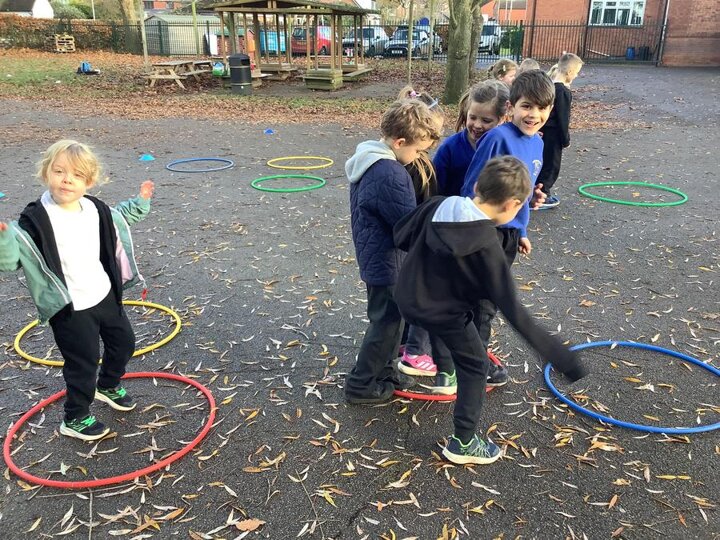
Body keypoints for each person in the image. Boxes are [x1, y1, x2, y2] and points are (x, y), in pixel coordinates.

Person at [394, 155, 588, 465]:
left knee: (445, 328)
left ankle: (446, 375)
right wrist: (566, 361)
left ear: (476, 187)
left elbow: (401, 234)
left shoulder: (438, 205)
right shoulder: (488, 247)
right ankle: (464, 443)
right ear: (513, 205)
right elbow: (516, 313)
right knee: (475, 365)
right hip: (442, 312)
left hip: (407, 297)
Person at [0, 140, 154, 441]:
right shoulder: (35, 220)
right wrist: (5, 240)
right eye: (59, 171)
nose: (67, 179)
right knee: (83, 363)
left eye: (77, 174)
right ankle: (75, 417)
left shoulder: (95, 208)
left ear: (89, 181)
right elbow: (10, 262)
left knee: (124, 344)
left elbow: (122, 217)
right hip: (70, 307)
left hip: (104, 294)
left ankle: (108, 385)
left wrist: (141, 201)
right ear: (46, 173)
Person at [344, 100, 441, 404]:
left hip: (378, 257)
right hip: (388, 264)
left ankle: (384, 372)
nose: (419, 157)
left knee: (391, 321)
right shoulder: (390, 173)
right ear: (399, 143)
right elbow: (407, 227)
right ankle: (361, 385)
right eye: (417, 150)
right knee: (385, 324)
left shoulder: (370, 158)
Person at [460, 69, 553, 359]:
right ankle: (475, 360)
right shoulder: (497, 138)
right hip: (486, 231)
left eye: (542, 108)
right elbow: (472, 187)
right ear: (511, 107)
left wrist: (521, 230)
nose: (533, 114)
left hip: (509, 235)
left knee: (488, 300)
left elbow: (521, 193)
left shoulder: (538, 142)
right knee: (484, 301)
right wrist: (471, 233)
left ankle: (470, 354)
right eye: (527, 106)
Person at [395, 86, 445, 377]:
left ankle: (405, 343)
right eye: (430, 137)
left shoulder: (414, 160)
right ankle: (414, 351)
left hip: (412, 242)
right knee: (426, 294)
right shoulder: (413, 165)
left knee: (410, 294)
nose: (434, 142)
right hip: (419, 242)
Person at [433, 80, 509, 197]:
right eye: (472, 117)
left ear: (502, 119)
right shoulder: (450, 148)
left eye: (486, 121)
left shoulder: (507, 147)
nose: (477, 125)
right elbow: (434, 190)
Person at [536, 52, 584, 209]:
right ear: (569, 72)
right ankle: (543, 194)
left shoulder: (549, 87)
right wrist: (565, 139)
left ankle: (538, 190)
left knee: (542, 161)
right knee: (551, 165)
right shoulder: (562, 91)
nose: (576, 76)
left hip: (542, 131)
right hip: (554, 133)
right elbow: (563, 118)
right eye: (576, 73)